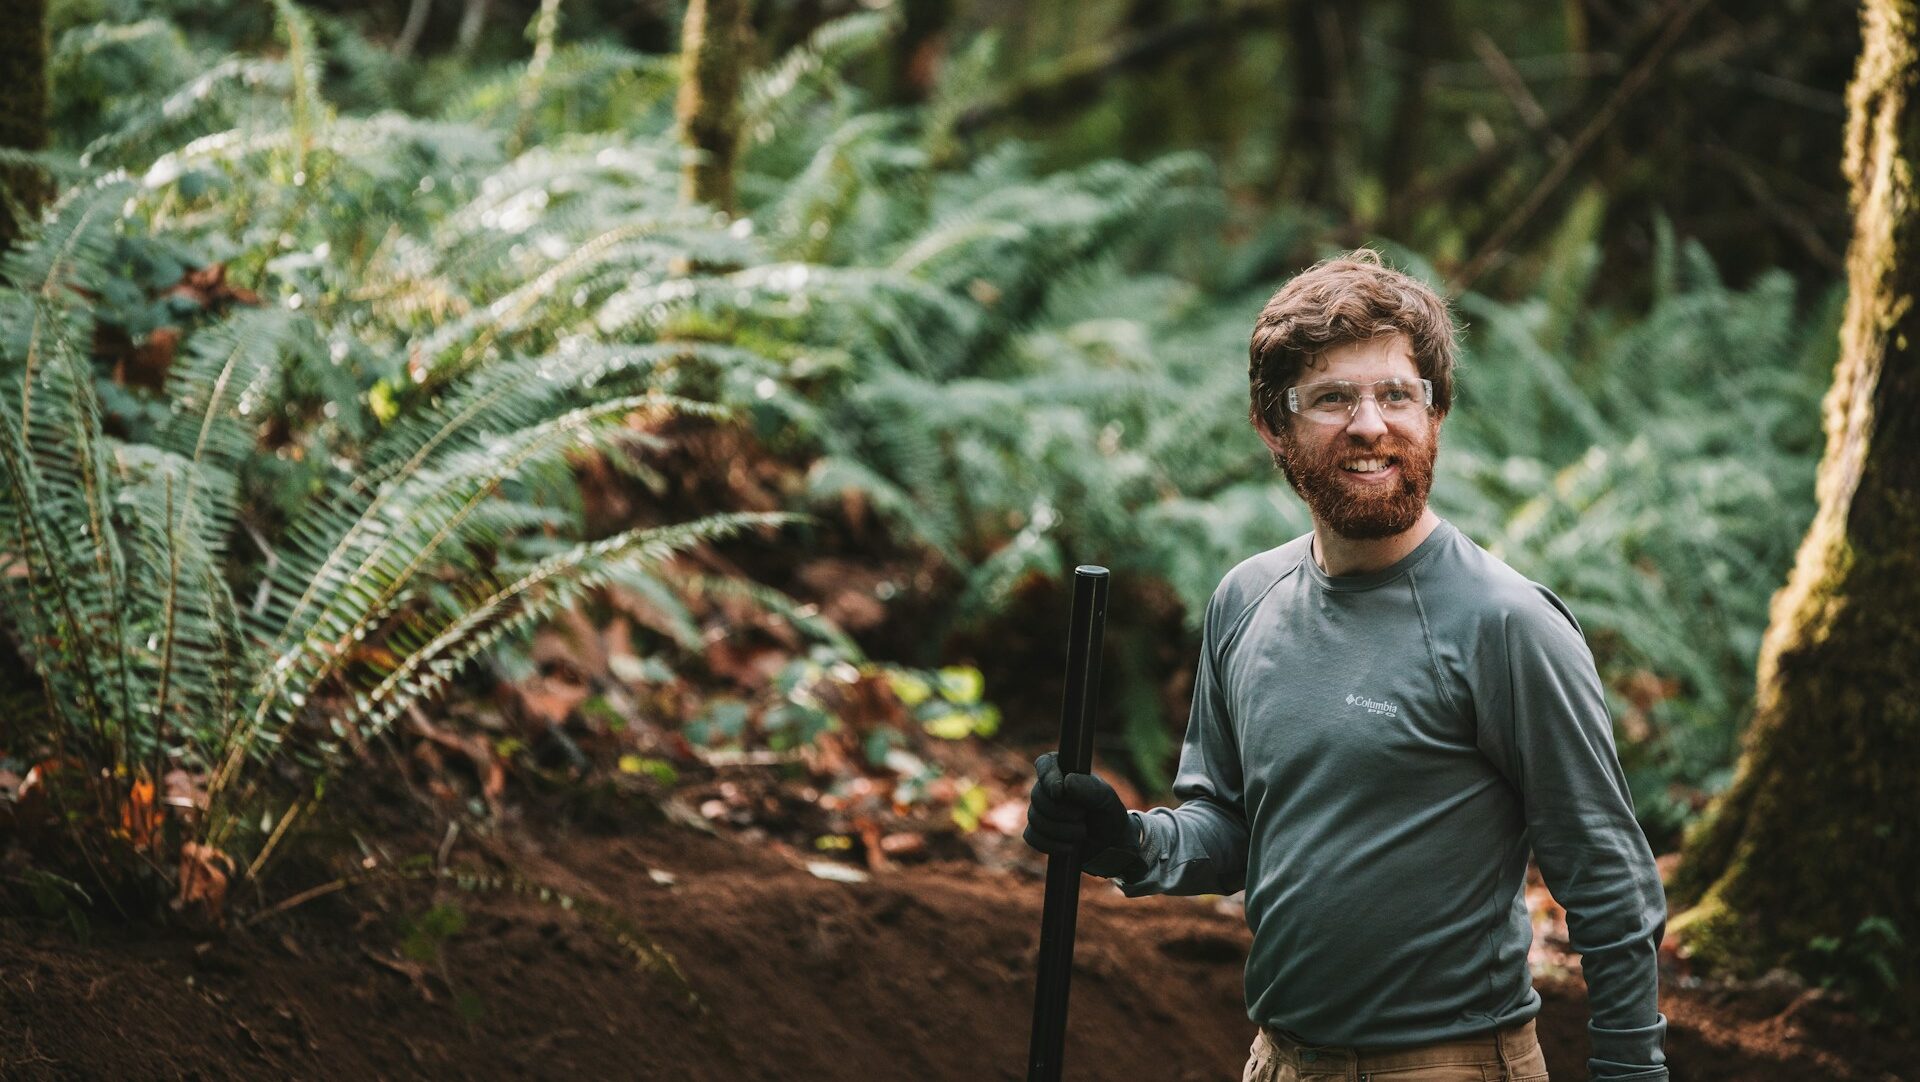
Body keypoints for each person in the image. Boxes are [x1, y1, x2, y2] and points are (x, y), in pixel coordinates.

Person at [1023, 250, 1670, 1081]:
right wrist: (1125, 841)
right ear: (1273, 426)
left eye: (1397, 393)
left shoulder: (1505, 624)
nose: (1371, 424)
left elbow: (1609, 882)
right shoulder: (1246, 600)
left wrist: (1630, 1073)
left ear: (1435, 414)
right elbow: (1228, 829)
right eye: (1332, 398)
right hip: (1280, 1061)